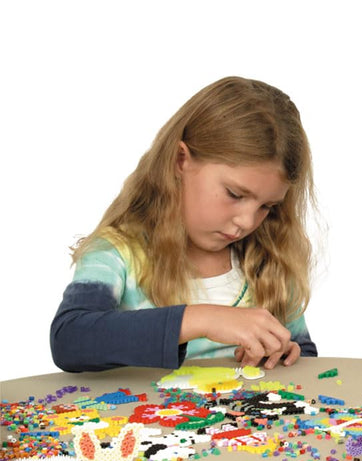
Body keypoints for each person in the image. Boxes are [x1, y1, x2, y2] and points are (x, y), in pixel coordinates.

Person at [51, 76, 318, 372]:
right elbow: (69, 338)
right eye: (235, 194)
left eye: (267, 206)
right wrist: (202, 319)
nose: (247, 221)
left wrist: (285, 354)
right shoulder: (117, 254)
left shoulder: (269, 261)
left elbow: (304, 357)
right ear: (181, 160)